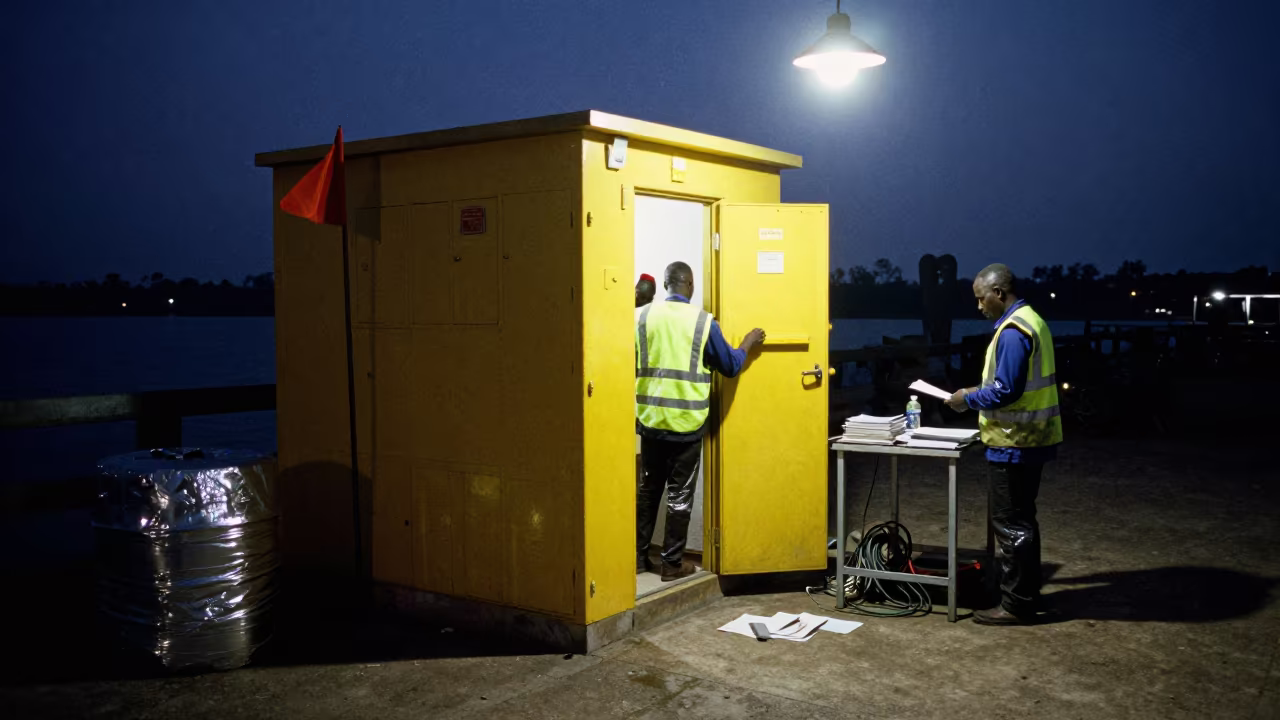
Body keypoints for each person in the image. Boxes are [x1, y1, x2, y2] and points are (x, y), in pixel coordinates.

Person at [945, 263, 1062, 625]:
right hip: (1034, 437)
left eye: (981, 299)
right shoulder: (1032, 320)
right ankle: (1024, 594)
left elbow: (1005, 390)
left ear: (998, 293)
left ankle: (1015, 605)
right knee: (1024, 519)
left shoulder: (1013, 332)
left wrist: (966, 396)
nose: (979, 306)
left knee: (1011, 524)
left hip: (1014, 442)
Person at [636, 261, 765, 581]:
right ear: (690, 286)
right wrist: (748, 342)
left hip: (650, 420)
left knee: (649, 490)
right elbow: (731, 366)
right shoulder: (703, 322)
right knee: (679, 496)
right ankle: (671, 563)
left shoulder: (642, 316)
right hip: (686, 425)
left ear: (665, 285)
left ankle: (638, 558)